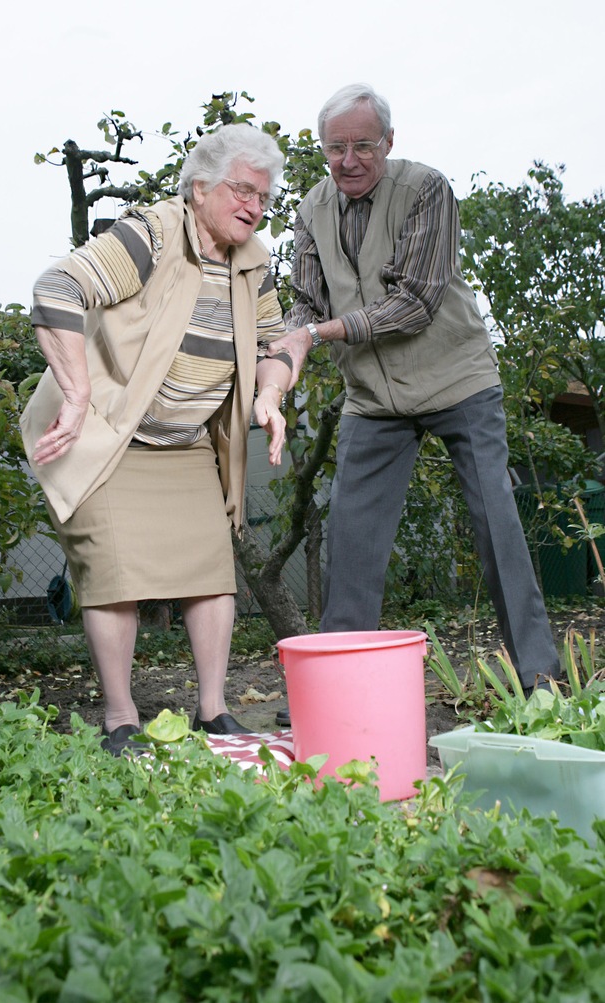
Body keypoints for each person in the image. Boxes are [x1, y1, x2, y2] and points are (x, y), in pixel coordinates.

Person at [268, 83, 560, 724]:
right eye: (335, 148)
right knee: (351, 537)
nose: (348, 160)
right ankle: (336, 688)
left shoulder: (427, 189)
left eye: (362, 146)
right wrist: (286, 348)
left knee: (495, 523)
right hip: (373, 398)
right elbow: (306, 303)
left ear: (389, 143)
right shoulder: (312, 209)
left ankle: (541, 682)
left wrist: (316, 333)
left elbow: (416, 303)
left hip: (457, 381)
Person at [21, 123, 294, 756]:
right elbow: (57, 288)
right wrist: (78, 390)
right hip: (112, 435)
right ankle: (121, 719)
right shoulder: (151, 233)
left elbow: (273, 344)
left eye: (264, 196)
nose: (255, 205)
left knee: (210, 574)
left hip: (187, 443)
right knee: (115, 577)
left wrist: (269, 394)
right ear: (199, 187)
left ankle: (213, 711)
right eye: (242, 189)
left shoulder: (253, 262)